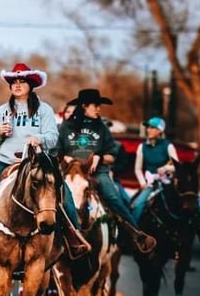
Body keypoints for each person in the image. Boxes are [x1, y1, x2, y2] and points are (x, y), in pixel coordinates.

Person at [0, 63, 90, 260]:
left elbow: (53, 137)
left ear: (30, 85)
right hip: (4, 161)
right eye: (13, 82)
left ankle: (74, 237)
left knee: (63, 192)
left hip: (37, 162)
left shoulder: (44, 110)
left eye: (22, 81)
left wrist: (39, 139)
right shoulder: (2, 111)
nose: (17, 85)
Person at [57, 89, 157, 255]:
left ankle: (136, 234)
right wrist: (65, 157)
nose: (99, 109)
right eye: (95, 105)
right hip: (70, 174)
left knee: (113, 197)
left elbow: (111, 156)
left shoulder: (102, 128)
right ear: (84, 106)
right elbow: (56, 151)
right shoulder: (66, 127)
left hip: (97, 173)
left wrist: (100, 157)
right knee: (49, 197)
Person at [132, 116, 200, 244]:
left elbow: (176, 166)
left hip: (167, 181)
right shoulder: (141, 147)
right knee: (137, 204)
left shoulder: (168, 146)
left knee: (190, 202)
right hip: (150, 183)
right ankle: (134, 234)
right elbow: (137, 169)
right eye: (148, 127)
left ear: (160, 131)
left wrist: (165, 168)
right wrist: (142, 183)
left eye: (152, 127)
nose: (149, 130)